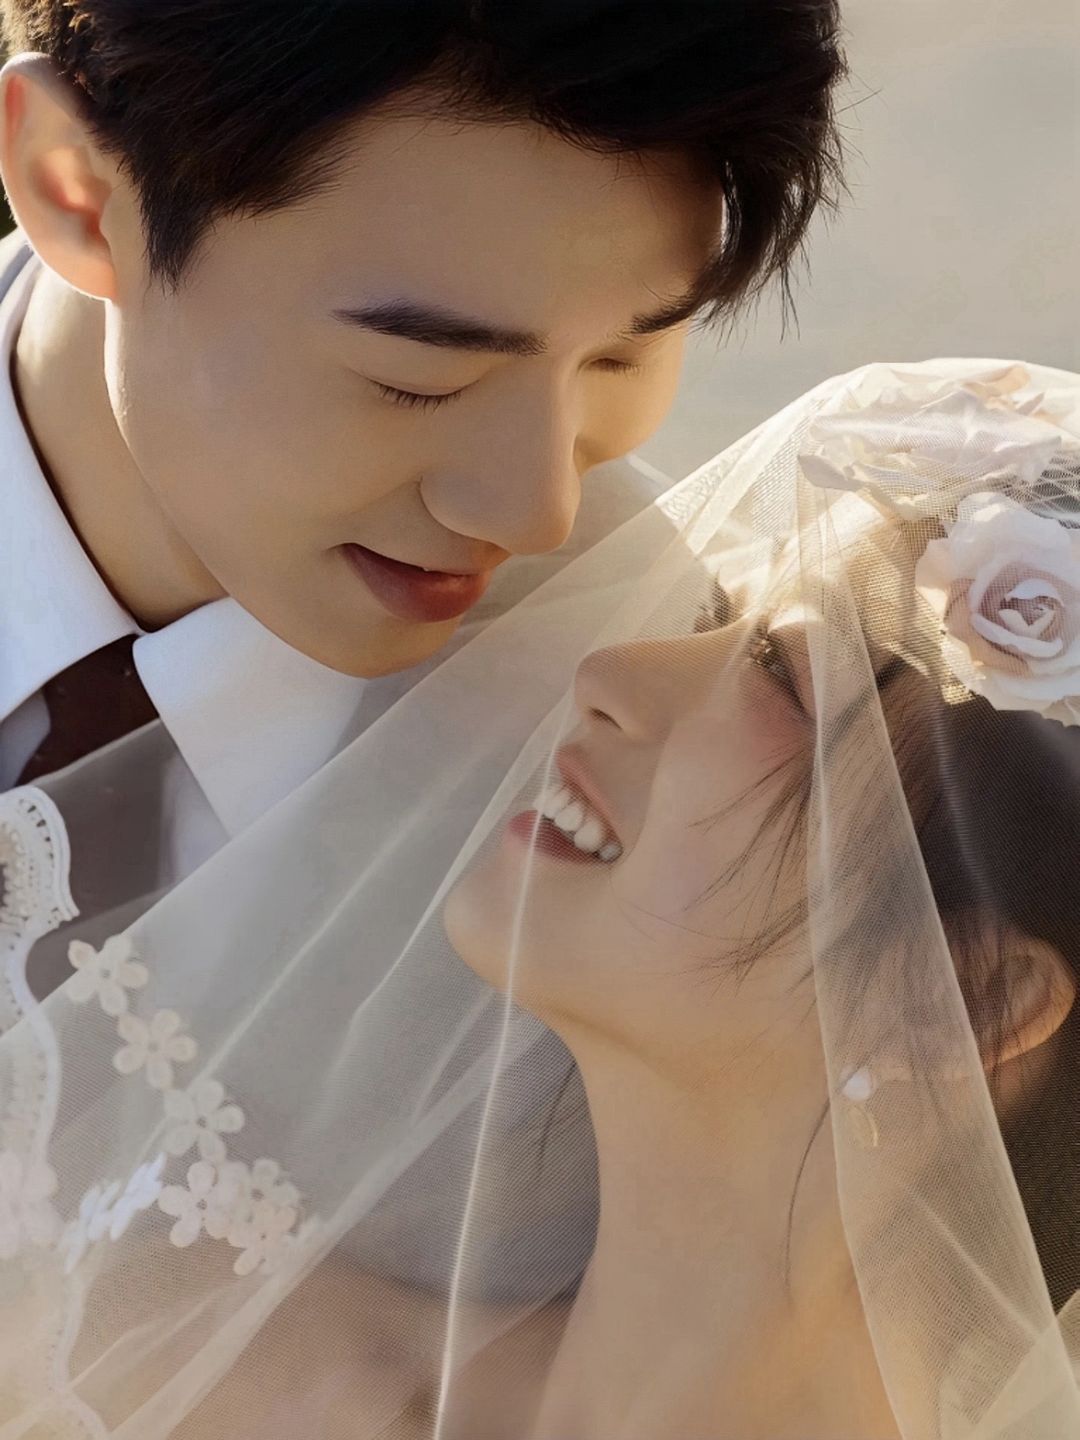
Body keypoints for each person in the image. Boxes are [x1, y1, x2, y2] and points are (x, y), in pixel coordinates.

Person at [0, 356, 1076, 1437]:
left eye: (774, 670)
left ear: (968, 1001)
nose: (610, 672)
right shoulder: (140, 1354)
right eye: (720, 620)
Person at [0, 0, 848, 882]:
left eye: (621, 358)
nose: (538, 516)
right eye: (420, 376)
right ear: (76, 190)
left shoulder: (700, 765)